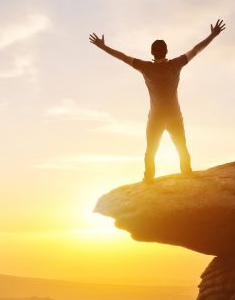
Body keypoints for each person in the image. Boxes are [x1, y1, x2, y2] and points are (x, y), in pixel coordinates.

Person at [89, 19, 226, 182]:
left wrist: (102, 46)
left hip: (155, 119)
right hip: (175, 116)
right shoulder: (176, 64)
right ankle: (187, 172)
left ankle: (148, 179)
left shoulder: (145, 67)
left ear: (152, 53)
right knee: (181, 148)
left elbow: (123, 57)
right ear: (166, 51)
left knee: (151, 151)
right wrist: (213, 35)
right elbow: (196, 50)